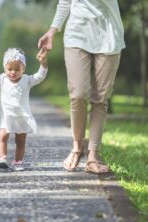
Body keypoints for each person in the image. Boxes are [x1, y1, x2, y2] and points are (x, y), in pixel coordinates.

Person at [38, 0, 125, 174]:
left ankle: (93, 154)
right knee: (77, 94)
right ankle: (77, 147)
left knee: (100, 98)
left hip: (108, 34)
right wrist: (53, 30)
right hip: (77, 34)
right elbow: (65, 2)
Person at [0, 48, 48, 171]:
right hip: (7, 115)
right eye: (9, 69)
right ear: (4, 68)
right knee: (2, 135)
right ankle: (2, 158)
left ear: (23, 68)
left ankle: (18, 162)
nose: (13, 72)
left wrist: (43, 64)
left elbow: (40, 76)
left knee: (20, 141)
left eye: (17, 69)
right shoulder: (2, 79)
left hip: (22, 116)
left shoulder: (27, 80)